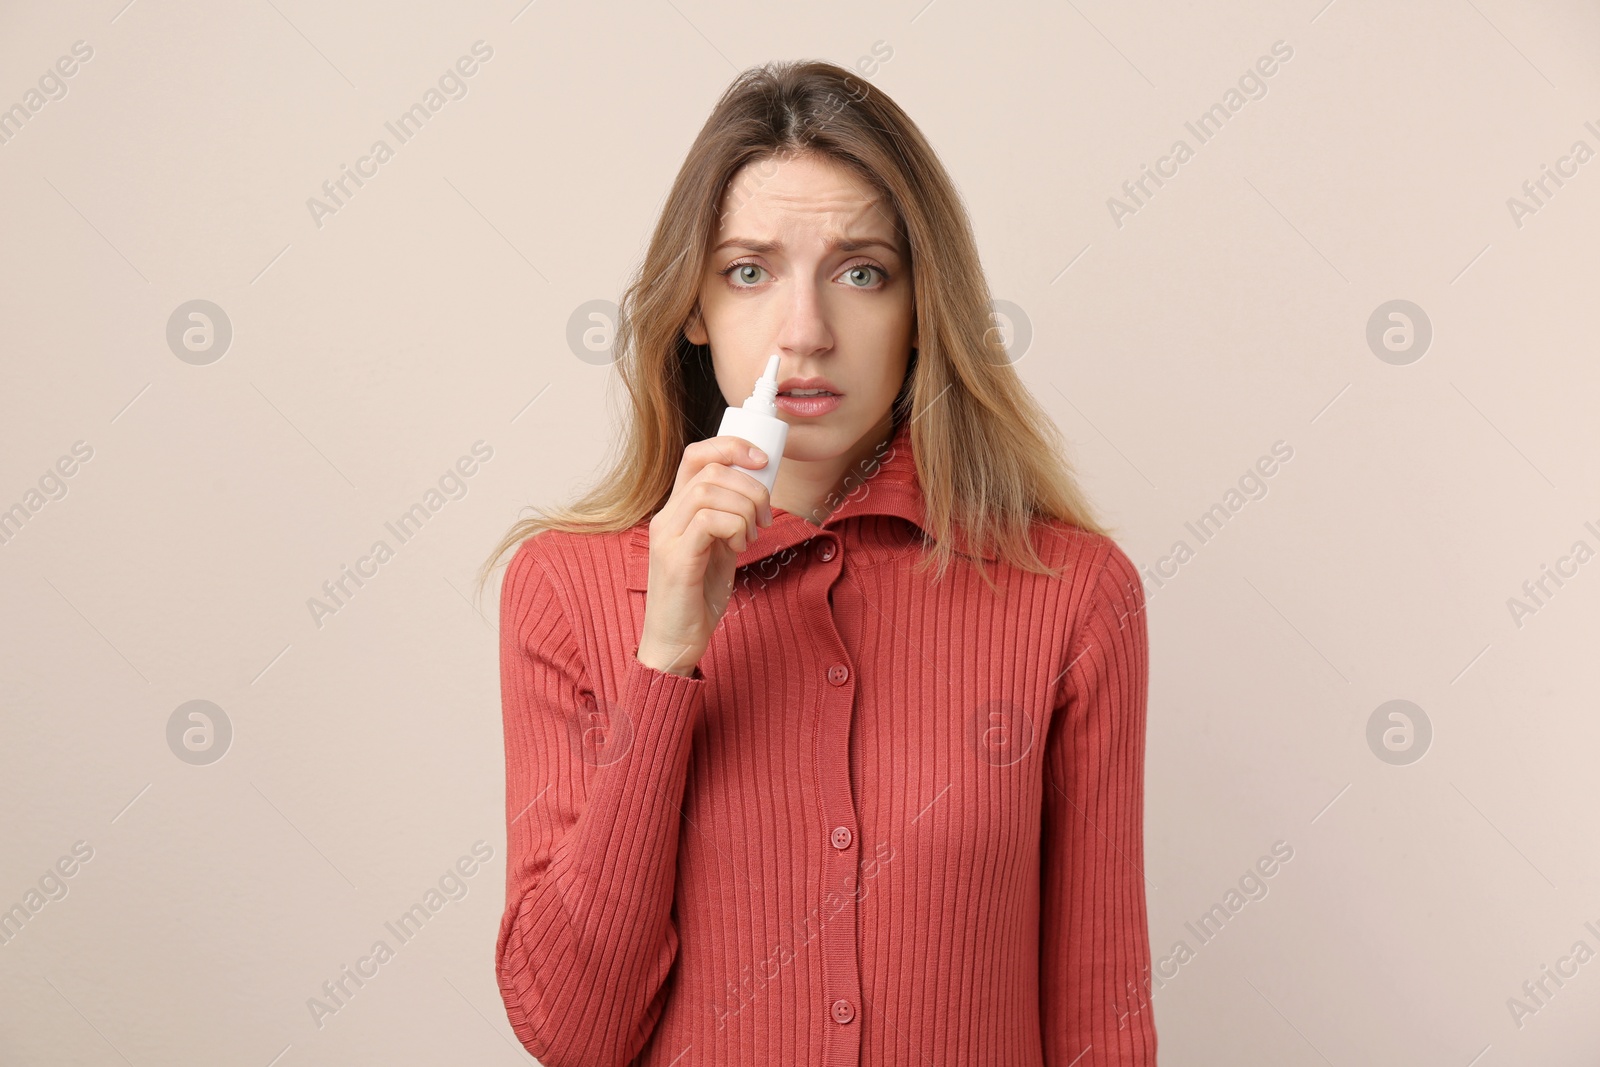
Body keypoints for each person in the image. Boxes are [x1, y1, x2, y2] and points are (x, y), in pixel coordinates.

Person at [477, 59, 1157, 1066]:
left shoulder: (1072, 595)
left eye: (860, 271)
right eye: (749, 270)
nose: (805, 333)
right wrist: (664, 656)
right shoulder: (565, 587)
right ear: (694, 306)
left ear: (922, 305)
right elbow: (573, 1031)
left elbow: (1100, 1021)